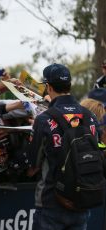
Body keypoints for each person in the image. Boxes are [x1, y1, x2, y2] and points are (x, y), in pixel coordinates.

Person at [27, 63, 97, 230]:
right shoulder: (90, 116)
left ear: (48, 87)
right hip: (83, 199)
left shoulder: (43, 119)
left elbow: (32, 166)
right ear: (70, 85)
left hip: (51, 202)